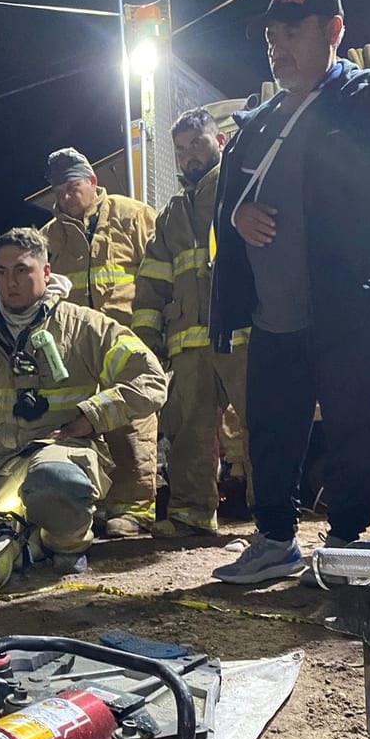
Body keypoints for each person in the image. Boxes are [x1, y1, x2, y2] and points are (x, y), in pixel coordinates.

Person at [209, 0, 370, 585]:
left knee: (352, 425)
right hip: (273, 317)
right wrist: (236, 215)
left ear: (334, 31)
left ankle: (346, 544)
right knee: (271, 430)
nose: (279, 47)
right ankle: (275, 538)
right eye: (272, 36)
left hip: (344, 304)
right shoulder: (255, 122)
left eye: (293, 32)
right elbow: (233, 202)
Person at [0, 226, 167, 592]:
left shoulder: (85, 326)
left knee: (57, 482)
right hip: (1, 464)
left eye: (22, 270)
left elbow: (151, 379)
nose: (11, 282)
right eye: (1, 271)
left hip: (64, 452)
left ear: (46, 272)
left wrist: (91, 417)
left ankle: (65, 545)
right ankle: (29, 542)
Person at [134, 108, 252, 538]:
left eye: (197, 144)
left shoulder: (241, 190)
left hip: (242, 335)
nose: (189, 156)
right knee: (189, 430)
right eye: (181, 149)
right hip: (189, 346)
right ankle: (191, 516)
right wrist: (148, 340)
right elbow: (151, 284)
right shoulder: (171, 217)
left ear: (218, 142)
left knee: (260, 423)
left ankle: (275, 516)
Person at [41, 147, 159, 537]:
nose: (65, 197)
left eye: (72, 187)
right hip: (78, 350)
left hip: (129, 341)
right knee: (84, 424)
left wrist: (153, 332)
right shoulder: (48, 237)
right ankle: (97, 505)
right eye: (58, 190)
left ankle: (136, 509)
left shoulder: (134, 216)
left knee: (132, 423)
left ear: (92, 182)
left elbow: (159, 275)